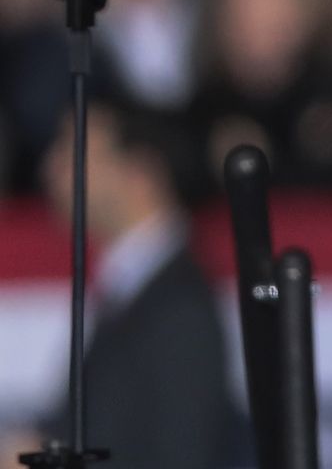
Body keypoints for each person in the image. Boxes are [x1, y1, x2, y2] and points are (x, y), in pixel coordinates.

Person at [33, 101, 240, 469]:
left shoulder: (180, 307)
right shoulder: (131, 289)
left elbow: (180, 454)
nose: (51, 167)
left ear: (140, 172)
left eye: (74, 152)